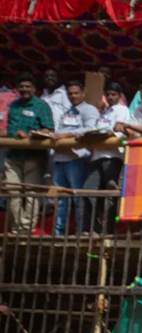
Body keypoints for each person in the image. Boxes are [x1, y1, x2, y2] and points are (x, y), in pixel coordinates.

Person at [4, 72, 54, 234]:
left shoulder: (41, 106)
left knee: (31, 193)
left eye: (28, 86)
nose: (24, 89)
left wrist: (32, 134)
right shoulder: (14, 106)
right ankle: (16, 227)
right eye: (21, 87)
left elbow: (49, 128)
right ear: (17, 89)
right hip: (12, 156)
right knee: (13, 193)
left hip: (34, 156)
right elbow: (9, 129)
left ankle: (26, 229)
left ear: (34, 89)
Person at [51, 80, 100, 236]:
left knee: (78, 197)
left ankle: (81, 230)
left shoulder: (89, 110)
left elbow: (91, 129)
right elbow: (58, 129)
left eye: (76, 93)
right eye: (70, 94)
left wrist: (67, 135)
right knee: (61, 199)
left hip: (77, 158)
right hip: (60, 158)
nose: (73, 96)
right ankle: (59, 232)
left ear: (83, 92)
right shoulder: (67, 110)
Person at [83, 81, 131, 233]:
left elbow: (118, 131)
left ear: (120, 96)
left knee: (110, 193)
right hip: (97, 156)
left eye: (113, 94)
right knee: (88, 190)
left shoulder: (123, 110)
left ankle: (108, 230)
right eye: (108, 94)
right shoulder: (105, 112)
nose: (110, 97)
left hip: (113, 157)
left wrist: (101, 135)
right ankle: (95, 228)